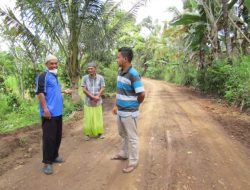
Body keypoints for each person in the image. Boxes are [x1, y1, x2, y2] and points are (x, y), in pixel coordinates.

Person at [36, 54, 72, 175]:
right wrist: (45, 109)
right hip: (49, 113)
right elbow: (40, 92)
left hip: (58, 112)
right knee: (48, 139)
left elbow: (53, 89)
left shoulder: (55, 76)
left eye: (56, 63)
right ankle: (47, 163)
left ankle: (55, 156)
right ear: (46, 64)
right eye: (51, 63)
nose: (54, 65)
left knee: (57, 137)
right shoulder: (43, 76)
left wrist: (64, 90)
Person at [112, 47, 145, 173]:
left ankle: (133, 162)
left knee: (132, 137)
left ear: (125, 59)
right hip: (120, 111)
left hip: (129, 112)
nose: (117, 59)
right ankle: (124, 154)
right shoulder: (120, 71)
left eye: (118, 57)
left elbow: (141, 94)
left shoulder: (134, 74)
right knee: (123, 134)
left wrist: (135, 105)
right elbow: (119, 91)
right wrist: (116, 105)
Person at [81, 62, 105, 141]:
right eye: (88, 69)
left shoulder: (100, 78)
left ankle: (100, 133)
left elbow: (102, 88)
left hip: (98, 101)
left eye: (91, 68)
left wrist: (97, 97)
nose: (90, 70)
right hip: (88, 102)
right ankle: (87, 134)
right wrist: (92, 97)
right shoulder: (84, 78)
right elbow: (84, 89)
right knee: (88, 118)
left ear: (95, 69)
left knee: (98, 117)